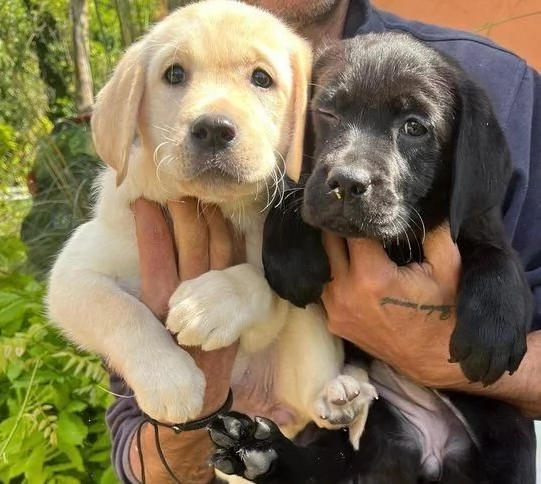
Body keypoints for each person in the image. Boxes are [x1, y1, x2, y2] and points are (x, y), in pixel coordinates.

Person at [106, 0, 541, 482]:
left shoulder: (498, 86)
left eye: (260, 78)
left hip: (484, 444)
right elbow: (149, 459)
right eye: (328, 113)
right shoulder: (191, 137)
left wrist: (432, 354)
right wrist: (196, 398)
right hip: (354, 443)